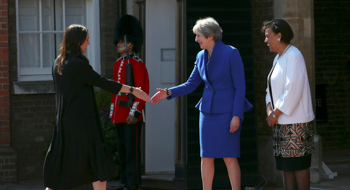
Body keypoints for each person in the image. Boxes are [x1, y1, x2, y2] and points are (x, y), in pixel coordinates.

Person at [43, 24, 150, 190]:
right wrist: (132, 90)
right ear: (78, 41)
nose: (89, 44)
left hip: (64, 122)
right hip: (83, 122)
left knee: (61, 166)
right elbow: (103, 82)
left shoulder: (58, 62)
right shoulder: (78, 64)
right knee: (99, 164)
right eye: (86, 40)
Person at [151, 17, 252, 190]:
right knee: (206, 156)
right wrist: (168, 92)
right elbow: (191, 84)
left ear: (210, 36)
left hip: (228, 113)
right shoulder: (200, 56)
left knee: (229, 157)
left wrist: (237, 115)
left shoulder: (231, 53)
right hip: (207, 112)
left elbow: (240, 87)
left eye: (199, 36)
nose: (196, 40)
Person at [262, 19, 315, 190]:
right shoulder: (278, 58)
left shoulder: (294, 55)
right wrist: (269, 109)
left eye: (268, 36)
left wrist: (275, 114)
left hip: (296, 123)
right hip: (280, 122)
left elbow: (293, 89)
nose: (265, 41)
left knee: (298, 166)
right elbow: (269, 89)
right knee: (286, 166)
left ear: (279, 35)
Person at [107, 15, 149, 190]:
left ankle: (133, 183)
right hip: (119, 114)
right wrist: (112, 112)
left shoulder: (137, 64)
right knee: (123, 150)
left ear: (130, 44)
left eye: (121, 42)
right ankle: (124, 181)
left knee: (132, 152)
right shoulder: (118, 63)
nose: (118, 44)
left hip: (131, 115)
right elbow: (115, 92)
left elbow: (143, 90)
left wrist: (135, 113)